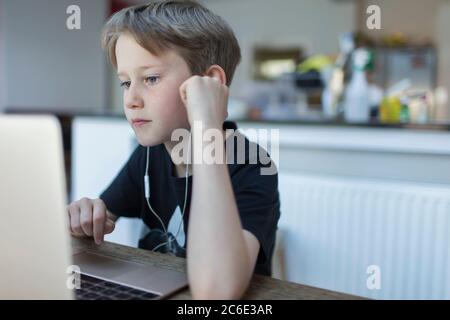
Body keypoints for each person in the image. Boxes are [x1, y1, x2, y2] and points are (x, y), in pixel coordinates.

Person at [67, 0, 280, 299]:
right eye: (126, 83)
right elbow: (102, 217)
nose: (131, 100)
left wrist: (206, 122)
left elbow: (216, 293)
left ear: (209, 83)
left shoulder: (253, 164)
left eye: (151, 78)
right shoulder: (150, 154)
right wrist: (86, 218)